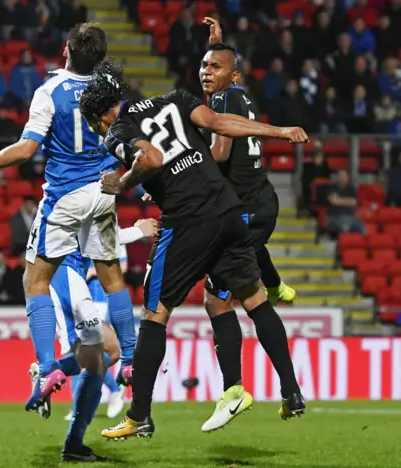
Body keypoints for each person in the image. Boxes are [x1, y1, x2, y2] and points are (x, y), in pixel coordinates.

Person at [78, 59, 307, 440]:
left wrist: (124, 180)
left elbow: (149, 158)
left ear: (100, 115)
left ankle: (139, 416)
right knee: (255, 300)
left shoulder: (117, 129)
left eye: (94, 123)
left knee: (155, 314)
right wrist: (279, 131)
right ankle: (292, 391)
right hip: (228, 210)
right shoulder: (175, 99)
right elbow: (220, 125)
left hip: (188, 222)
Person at [0, 23, 134, 463]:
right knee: (106, 347)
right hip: (99, 203)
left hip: (63, 205)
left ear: (64, 51)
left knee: (41, 288)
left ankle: (49, 371)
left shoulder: (49, 91)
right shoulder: (113, 91)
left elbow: (26, 148)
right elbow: (127, 145)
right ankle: (71, 377)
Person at [198, 21, 300, 431]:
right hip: (256, 206)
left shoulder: (226, 98)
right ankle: (291, 391)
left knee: (219, 301)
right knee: (256, 295)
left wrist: (181, 169)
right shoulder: (233, 93)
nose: (206, 71)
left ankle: (233, 391)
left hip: (244, 212)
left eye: (214, 66)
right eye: (203, 65)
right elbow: (223, 68)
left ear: (233, 74)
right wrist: (216, 46)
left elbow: (220, 153)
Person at [58, 219, 159, 422]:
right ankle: (82, 403)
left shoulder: (110, 232)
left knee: (93, 350)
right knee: (79, 350)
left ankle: (113, 391)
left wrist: (92, 272)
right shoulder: (79, 234)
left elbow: (122, 266)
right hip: (78, 294)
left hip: (99, 294)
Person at [326, 169, 365, 235]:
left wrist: (339, 200)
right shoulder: (331, 188)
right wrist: (348, 201)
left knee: (361, 226)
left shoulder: (351, 189)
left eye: (344, 176)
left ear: (347, 177)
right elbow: (333, 201)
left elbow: (354, 203)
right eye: (340, 176)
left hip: (350, 217)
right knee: (345, 224)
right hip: (335, 217)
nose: (342, 178)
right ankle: (343, 243)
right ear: (337, 177)